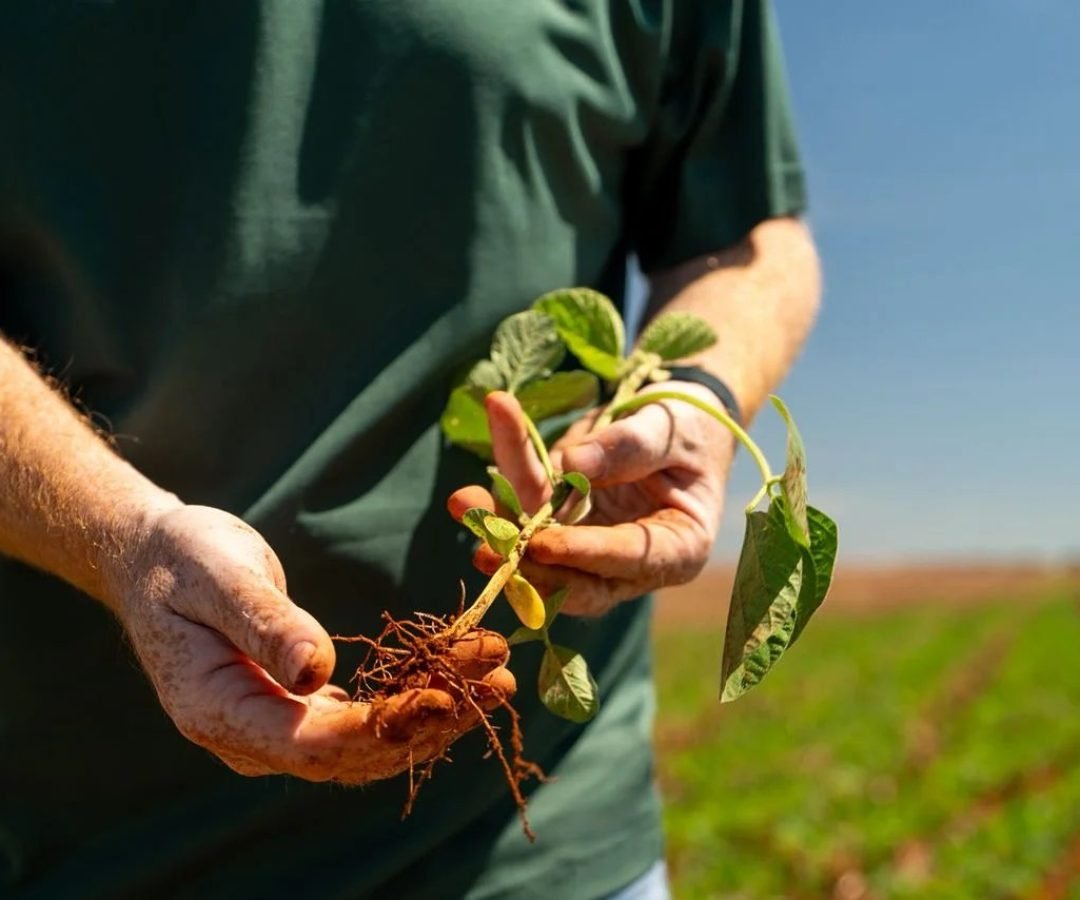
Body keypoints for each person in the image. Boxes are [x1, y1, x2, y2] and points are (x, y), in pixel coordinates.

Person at [0, 1, 820, 897]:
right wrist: (116, 538)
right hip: (94, 844)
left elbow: (746, 242)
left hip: (541, 857)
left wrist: (694, 396)